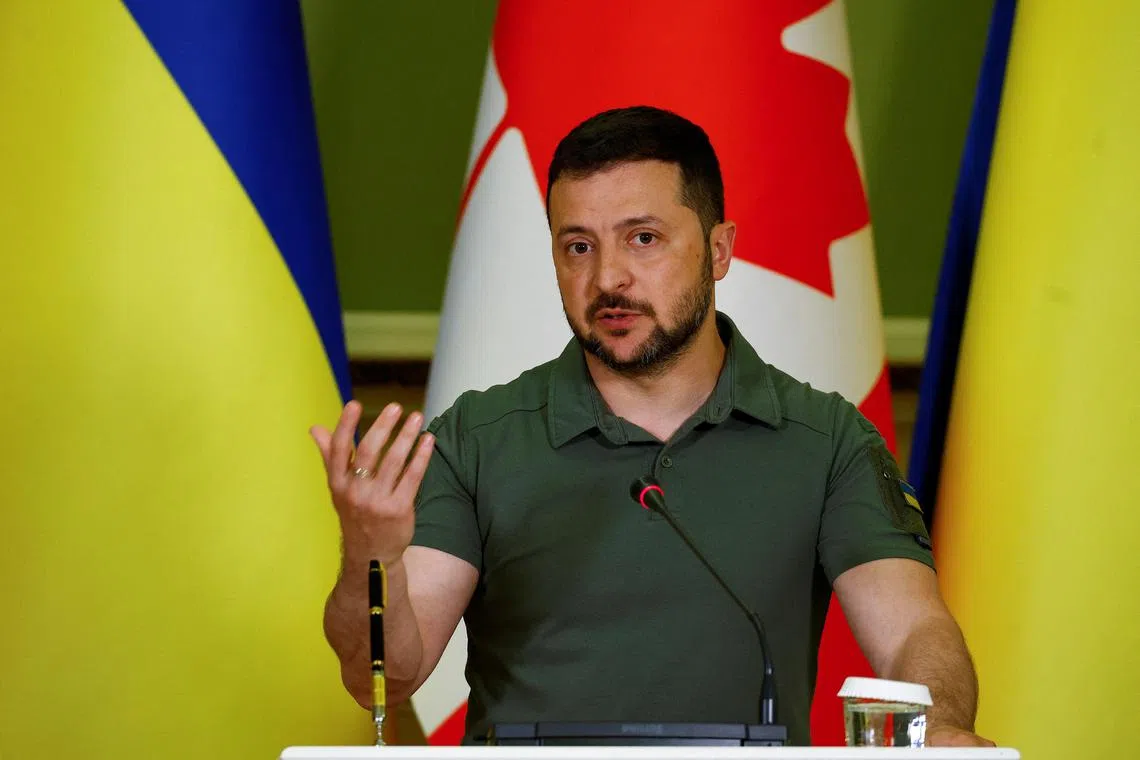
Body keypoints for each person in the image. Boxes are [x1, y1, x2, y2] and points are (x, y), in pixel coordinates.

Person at [312, 106, 994, 747]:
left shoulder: (826, 438)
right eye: (577, 246)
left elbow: (912, 629)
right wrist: (372, 554)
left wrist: (938, 723)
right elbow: (389, 675)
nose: (609, 277)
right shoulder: (477, 437)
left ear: (719, 250)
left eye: (644, 239)